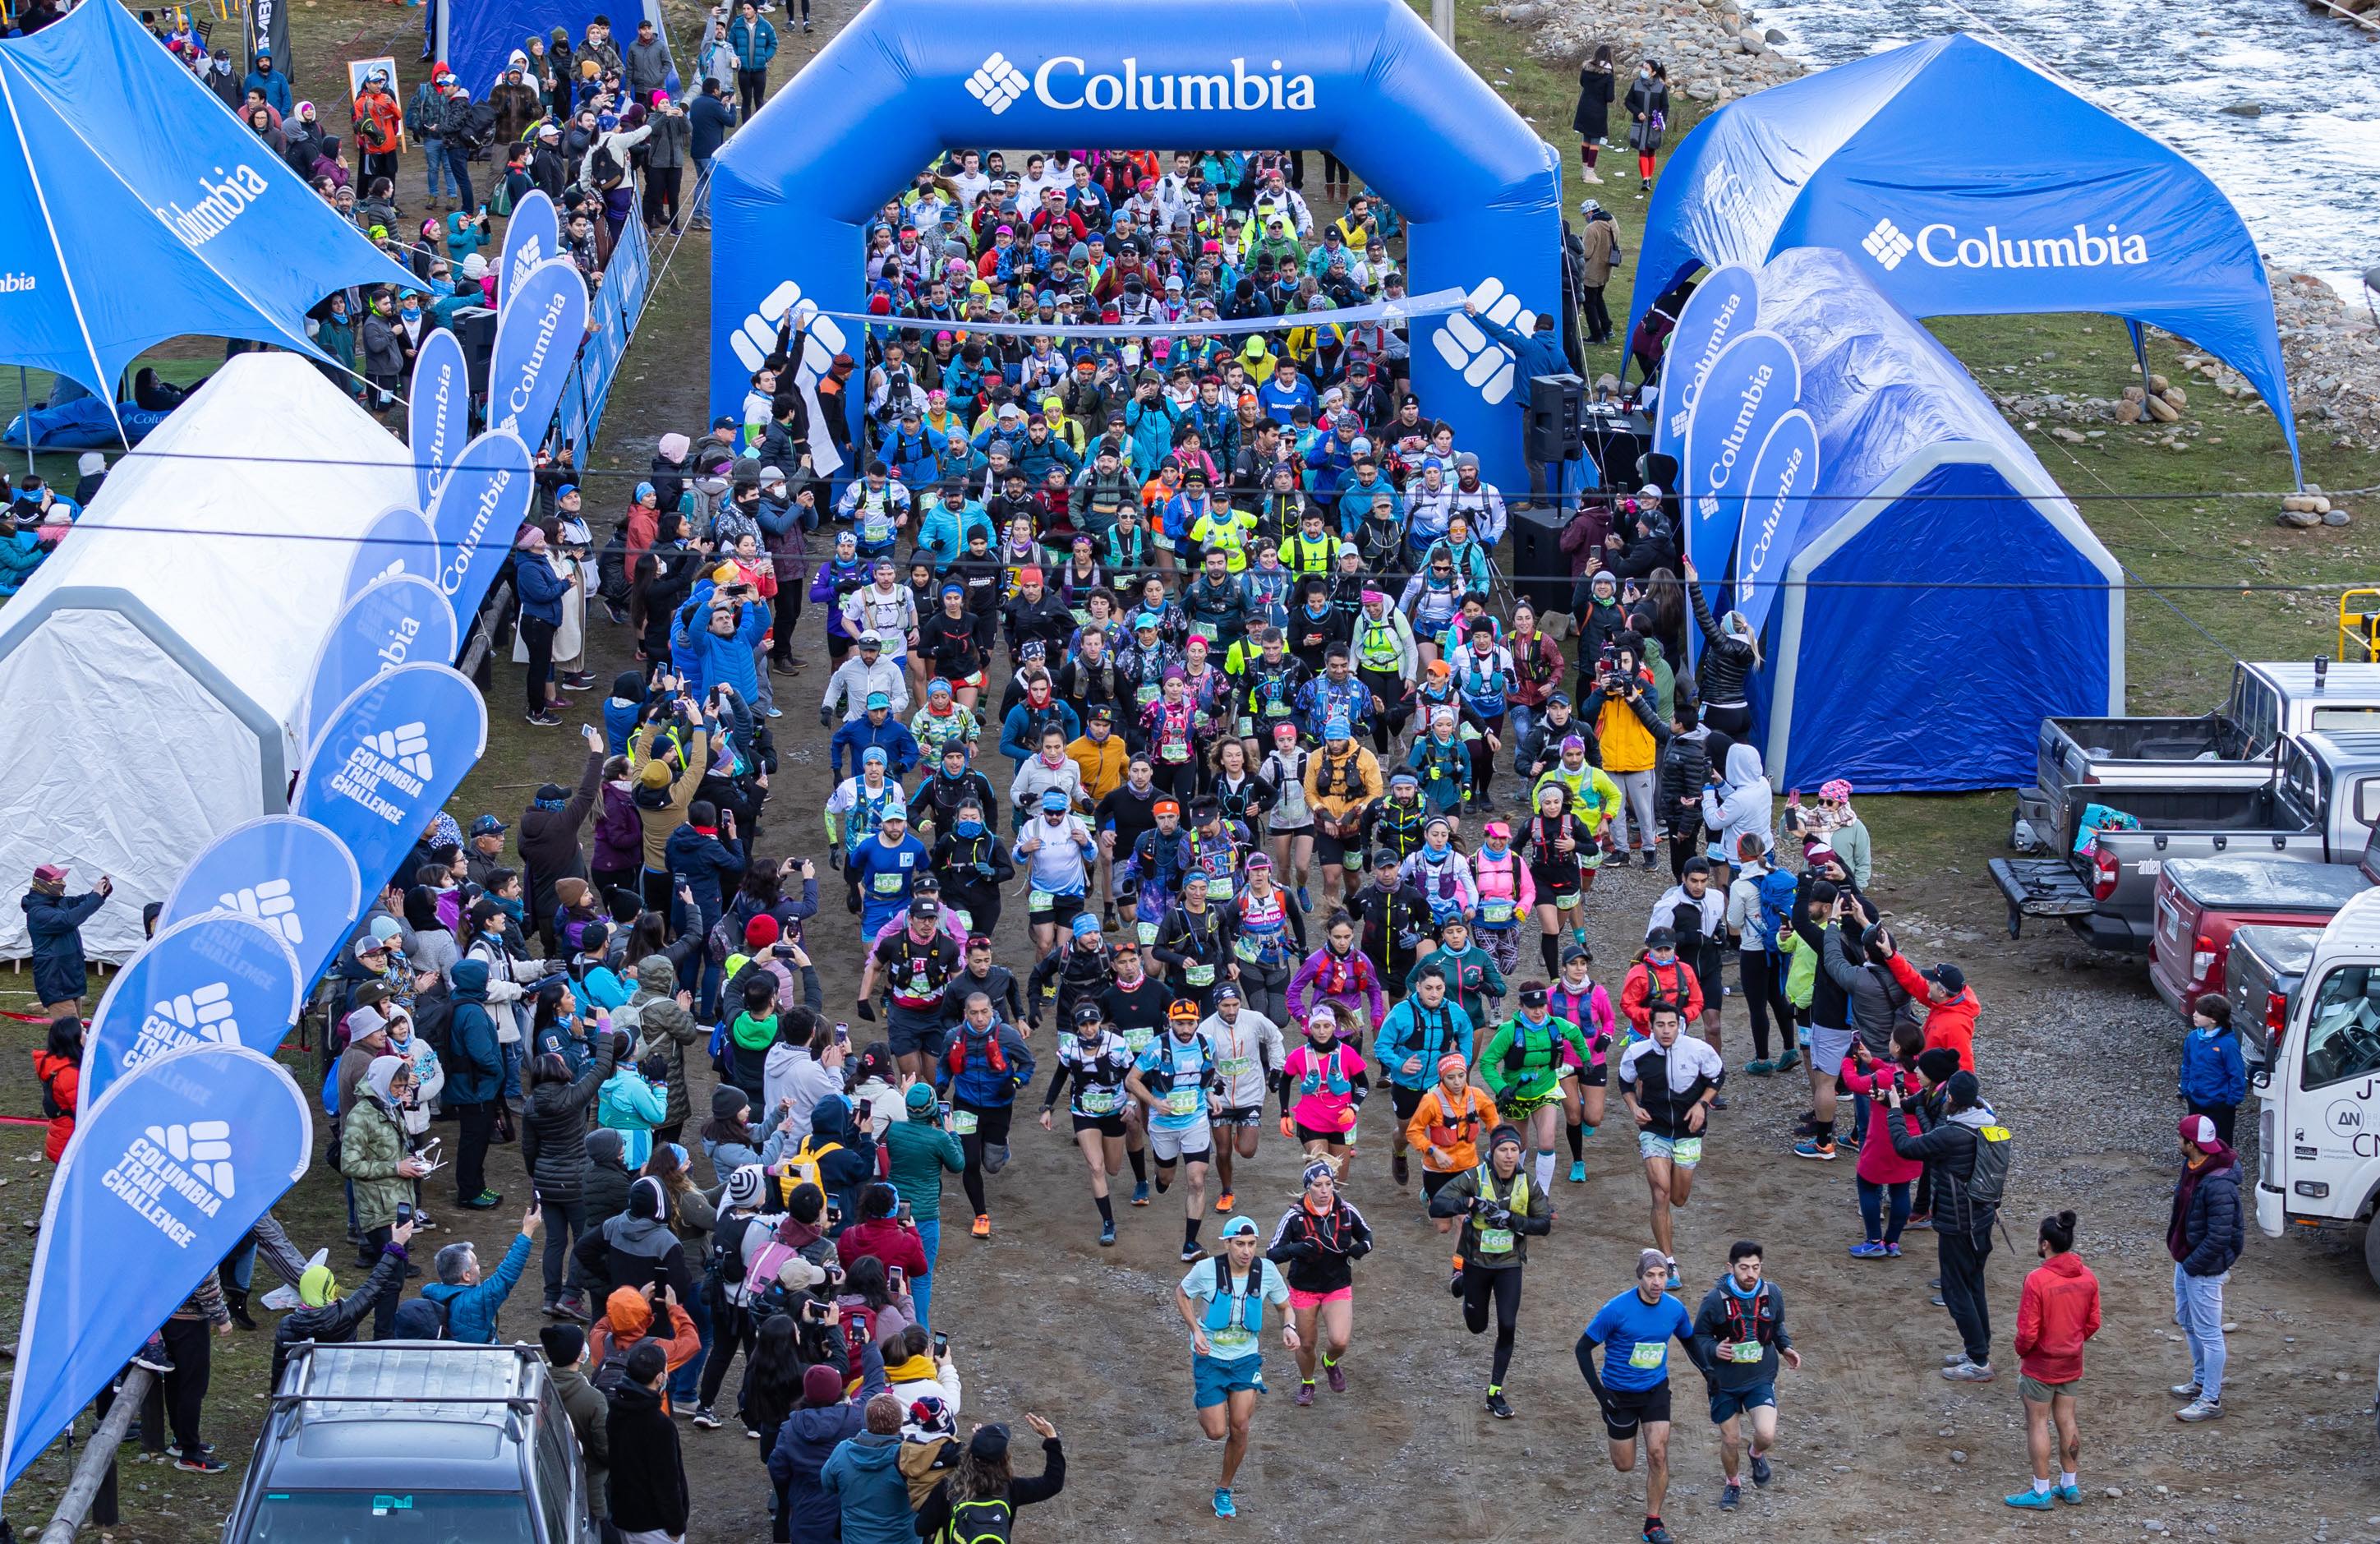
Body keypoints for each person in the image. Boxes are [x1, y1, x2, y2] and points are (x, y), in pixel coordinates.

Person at [1174, 1215, 1297, 1519]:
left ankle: (1224, 1490)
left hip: (1245, 1360)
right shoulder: (1205, 1270)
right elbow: (1181, 1293)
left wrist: (1290, 1327)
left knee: (1240, 1427)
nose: (1246, 1251)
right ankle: (1207, 1399)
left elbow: (1284, 1306)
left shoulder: (1266, 1271)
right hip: (1210, 1359)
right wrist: (1196, 1330)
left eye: (1252, 1244)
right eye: (1240, 1244)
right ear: (1227, 1243)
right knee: (1215, 1432)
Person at [1426, 1122, 1552, 1418]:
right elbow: (1438, 1207)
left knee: (1508, 1324)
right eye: (1503, 1150)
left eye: (1514, 1150)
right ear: (1492, 1152)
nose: (1509, 1156)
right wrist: (1469, 1202)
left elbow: (1544, 1223)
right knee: (1476, 1326)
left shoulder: (1528, 1183)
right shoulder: (1474, 1177)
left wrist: (1512, 1220)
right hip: (1477, 1264)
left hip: (1509, 1265)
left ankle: (1495, 1391)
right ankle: (1462, 1284)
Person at [1887, 1069, 2004, 1382]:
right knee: (1973, 1284)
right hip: (1981, 1220)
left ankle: (1978, 1362)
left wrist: (1896, 1109)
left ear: (1951, 1098)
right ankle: (1978, 1349)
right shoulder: (1987, 1121)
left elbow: (1905, 1147)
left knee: (1955, 1291)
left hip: (1957, 1224)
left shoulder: (1951, 1134)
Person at [1576, 1248, 1698, 1544]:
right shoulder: (1616, 1310)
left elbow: (1691, 1342)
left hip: (1656, 1390)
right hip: (1619, 1395)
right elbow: (1582, 1349)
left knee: (1658, 1454)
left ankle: (1653, 1523)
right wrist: (1600, 1394)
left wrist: (1710, 1374)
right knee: (1624, 1464)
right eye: (1650, 1275)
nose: (1657, 1282)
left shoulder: (1674, 1308)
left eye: (1662, 1275)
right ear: (1639, 1277)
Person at [1687, 1239, 1802, 1514]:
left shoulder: (1772, 1293)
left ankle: (1756, 1454)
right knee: (1730, 1440)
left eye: (1756, 1267)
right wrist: (1715, 1349)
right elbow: (1697, 1337)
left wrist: (1785, 1347)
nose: (1750, 1274)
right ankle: (1733, 1483)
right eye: (1744, 1268)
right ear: (1731, 1267)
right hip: (1723, 1381)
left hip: (1760, 1376)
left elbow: (1776, 1325)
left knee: (1766, 1434)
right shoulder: (1714, 1299)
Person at [1615, 1000, 1723, 1289]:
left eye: (1671, 1025)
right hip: (1654, 1130)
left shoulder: (1699, 1050)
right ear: (1650, 1027)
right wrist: (1633, 1108)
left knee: (1678, 1198)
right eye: (1660, 1025)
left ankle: (1667, 1254)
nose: (1666, 1031)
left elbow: (1717, 1077)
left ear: (1680, 1025)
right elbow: (1625, 1083)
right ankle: (1668, 1261)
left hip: (1689, 1133)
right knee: (1661, 1193)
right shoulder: (1637, 1053)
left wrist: (1702, 1104)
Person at [2007, 1210, 2099, 1509]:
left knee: (2037, 1423)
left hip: (2040, 1364)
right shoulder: (2088, 1277)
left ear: (2045, 1244)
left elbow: (2027, 1331)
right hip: (2071, 1362)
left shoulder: (2037, 1280)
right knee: (2067, 1420)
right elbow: (2093, 1322)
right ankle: (2070, 1486)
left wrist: (2023, 1351)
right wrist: (2071, 1342)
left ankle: (2041, 1491)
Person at [1265, 1158, 1372, 1407]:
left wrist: (1361, 1248)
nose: (1325, 1191)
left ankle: (1330, 1361)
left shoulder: (1345, 1210)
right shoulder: (1295, 1216)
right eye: (1318, 1185)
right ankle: (1308, 1382)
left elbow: (1367, 1235)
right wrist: (1298, 1248)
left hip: (1337, 1285)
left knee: (1340, 1341)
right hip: (1304, 1289)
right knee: (1306, 1344)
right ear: (1307, 1188)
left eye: (1328, 1184)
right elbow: (1272, 1253)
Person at [269, 1223, 417, 1389]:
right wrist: (396, 1244)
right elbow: (376, 1281)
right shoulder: (346, 1313)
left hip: (304, 1388)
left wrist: (277, 1399)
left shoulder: (288, 1324)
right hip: (339, 1384)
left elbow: (280, 1366)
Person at [1041, 1001, 1135, 1244]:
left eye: (1092, 1023)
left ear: (1099, 1022)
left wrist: (1132, 1102)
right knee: (1096, 1167)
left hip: (1114, 1110)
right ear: (1077, 1027)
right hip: (1084, 1111)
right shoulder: (1070, 1048)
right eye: (1083, 1025)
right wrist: (1048, 1107)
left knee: (1113, 1168)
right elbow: (1060, 1075)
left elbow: (1133, 1076)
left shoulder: (1117, 1045)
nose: (1089, 1029)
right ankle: (1108, 1223)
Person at [2168, 1112, 2241, 1423]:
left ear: (2191, 1143)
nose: (2178, 1142)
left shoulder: (2218, 1184)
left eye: (2181, 1138)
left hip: (2202, 1268)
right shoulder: (2194, 1166)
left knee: (2210, 1334)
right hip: (2188, 1262)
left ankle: (2210, 1399)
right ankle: (2200, 1382)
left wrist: (2194, 1264)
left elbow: (2221, 1236)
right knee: (2187, 1321)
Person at [1199, 984, 1285, 1216]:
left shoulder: (1254, 1019)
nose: (1231, 1010)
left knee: (1247, 1151)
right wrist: (1210, 1083)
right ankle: (1227, 1192)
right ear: (1216, 1005)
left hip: (1250, 1094)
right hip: (1221, 1098)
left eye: (1235, 1004)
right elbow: (1200, 1061)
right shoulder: (1206, 1029)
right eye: (1226, 1006)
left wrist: (1277, 1068)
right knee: (1223, 1151)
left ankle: (1242, 1135)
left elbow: (1275, 1037)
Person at [912, 1415, 1066, 1543]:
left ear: (969, 1454)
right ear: (1004, 1459)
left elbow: (921, 1528)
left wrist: (978, 1443)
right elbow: (1053, 1483)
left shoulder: (948, 1488)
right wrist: (1052, 1439)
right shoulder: (1011, 1488)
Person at [608, 1340, 691, 1544]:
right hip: (654, 1527)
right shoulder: (659, 1424)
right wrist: (676, 1527)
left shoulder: (616, 1409)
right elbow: (667, 1482)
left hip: (624, 1517)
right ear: (659, 1377)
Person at [421, 1206, 541, 1344]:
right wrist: (528, 1231)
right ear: (466, 1276)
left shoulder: (431, 1293)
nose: (479, 1267)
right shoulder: (476, 1301)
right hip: (477, 1359)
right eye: (476, 1264)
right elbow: (507, 1273)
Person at [542, 1324, 612, 1537]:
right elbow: (607, 1452)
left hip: (550, 1482)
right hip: (591, 1490)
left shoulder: (539, 1384)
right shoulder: (592, 1399)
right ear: (578, 1354)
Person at [820, 1392, 914, 1544]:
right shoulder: (909, 1458)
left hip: (854, 1539)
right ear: (899, 1422)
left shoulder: (842, 1451)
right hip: (902, 1539)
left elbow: (827, 1483)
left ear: (867, 1421)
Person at [23, 862, 108, 1016]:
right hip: (56, 982)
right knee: (71, 1035)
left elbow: (81, 902)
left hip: (69, 978)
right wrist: (95, 897)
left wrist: (101, 892)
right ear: (43, 884)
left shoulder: (58, 902)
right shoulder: (38, 913)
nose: (63, 883)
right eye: (58, 880)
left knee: (75, 1033)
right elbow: (68, 920)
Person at [2180, 994, 2246, 1148]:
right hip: (2195, 1099)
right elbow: (2187, 1065)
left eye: (2199, 1012)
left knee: (2220, 1141)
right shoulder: (2193, 1038)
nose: (2194, 1015)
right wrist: (2186, 1089)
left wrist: (2231, 1101)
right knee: (2196, 1139)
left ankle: (2221, 1170)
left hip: (2219, 1104)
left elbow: (2237, 1074)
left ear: (2213, 1019)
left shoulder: (2227, 1044)